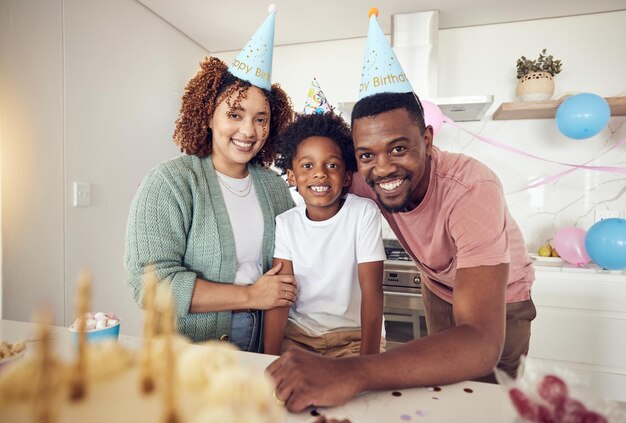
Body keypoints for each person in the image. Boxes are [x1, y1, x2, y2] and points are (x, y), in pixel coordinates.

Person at [267, 8, 535, 412]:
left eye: (398, 147)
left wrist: (356, 369)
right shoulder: (357, 177)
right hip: (437, 288)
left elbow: (479, 340)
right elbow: (317, 179)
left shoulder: (471, 189)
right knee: (438, 400)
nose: (384, 168)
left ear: (426, 138)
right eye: (366, 155)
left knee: (484, 403)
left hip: (501, 303)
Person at [125, 8, 298, 351]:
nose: (249, 131)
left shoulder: (275, 188)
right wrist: (250, 295)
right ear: (207, 115)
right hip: (186, 350)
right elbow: (148, 284)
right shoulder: (171, 183)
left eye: (261, 119)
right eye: (235, 114)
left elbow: (290, 265)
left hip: (263, 336)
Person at [263, 110, 386, 357]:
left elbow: (372, 292)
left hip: (354, 338)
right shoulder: (286, 223)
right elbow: (281, 295)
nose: (320, 173)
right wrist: (269, 359)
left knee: (358, 396)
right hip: (299, 338)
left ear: (347, 176)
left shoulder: (363, 213)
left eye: (332, 165)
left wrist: (368, 363)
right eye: (307, 166)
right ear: (291, 176)